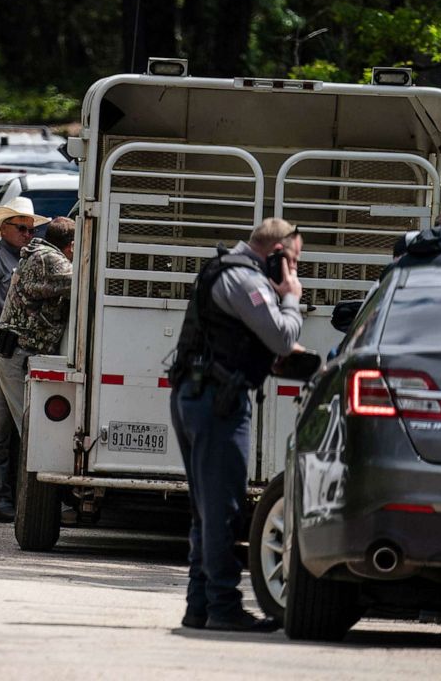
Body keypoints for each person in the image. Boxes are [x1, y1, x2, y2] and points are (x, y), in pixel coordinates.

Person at [167, 217, 304, 632]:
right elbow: (281, 336)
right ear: (277, 254)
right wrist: (292, 297)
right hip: (217, 404)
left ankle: (200, 607)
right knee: (222, 510)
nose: (296, 271)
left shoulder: (226, 269)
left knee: (204, 511)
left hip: (198, 396)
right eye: (294, 261)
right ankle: (223, 607)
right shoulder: (247, 281)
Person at [0, 217, 75, 522]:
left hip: (9, 351)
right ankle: (47, 505)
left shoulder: (36, 256)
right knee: (33, 431)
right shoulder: (49, 260)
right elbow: (83, 280)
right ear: (69, 246)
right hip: (19, 353)